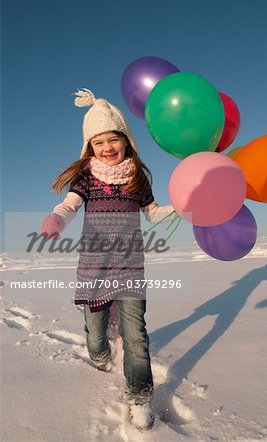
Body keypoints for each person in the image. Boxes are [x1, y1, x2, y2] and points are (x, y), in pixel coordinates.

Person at [41, 88, 175, 431]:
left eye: (112, 139)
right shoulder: (86, 177)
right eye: (98, 142)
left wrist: (181, 207)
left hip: (131, 266)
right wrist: (57, 218)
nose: (106, 147)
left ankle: (140, 398)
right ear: (89, 148)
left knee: (136, 335)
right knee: (96, 331)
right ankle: (100, 357)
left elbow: (154, 214)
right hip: (94, 266)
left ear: (126, 140)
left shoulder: (136, 178)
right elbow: (70, 204)